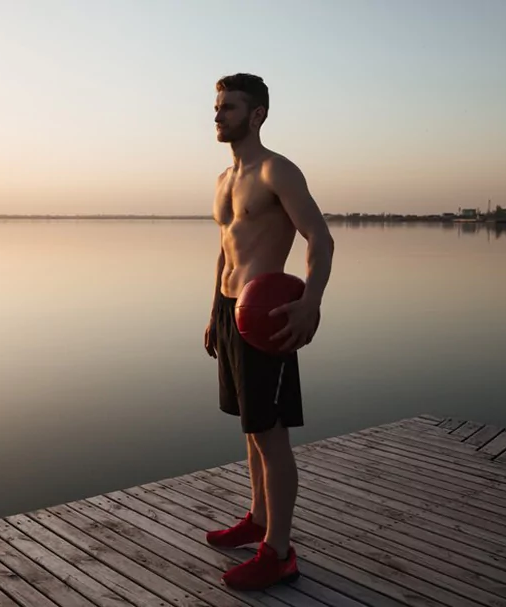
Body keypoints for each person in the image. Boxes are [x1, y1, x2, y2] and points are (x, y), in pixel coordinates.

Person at [203, 73, 334, 591]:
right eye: (216, 106)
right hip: (232, 313)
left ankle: (279, 551)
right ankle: (257, 518)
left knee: (272, 437)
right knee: (252, 429)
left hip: (268, 320)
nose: (217, 115)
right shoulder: (223, 179)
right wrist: (214, 311)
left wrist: (311, 302)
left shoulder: (277, 170)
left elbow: (320, 239)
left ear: (256, 114)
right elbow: (225, 250)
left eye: (229, 107)